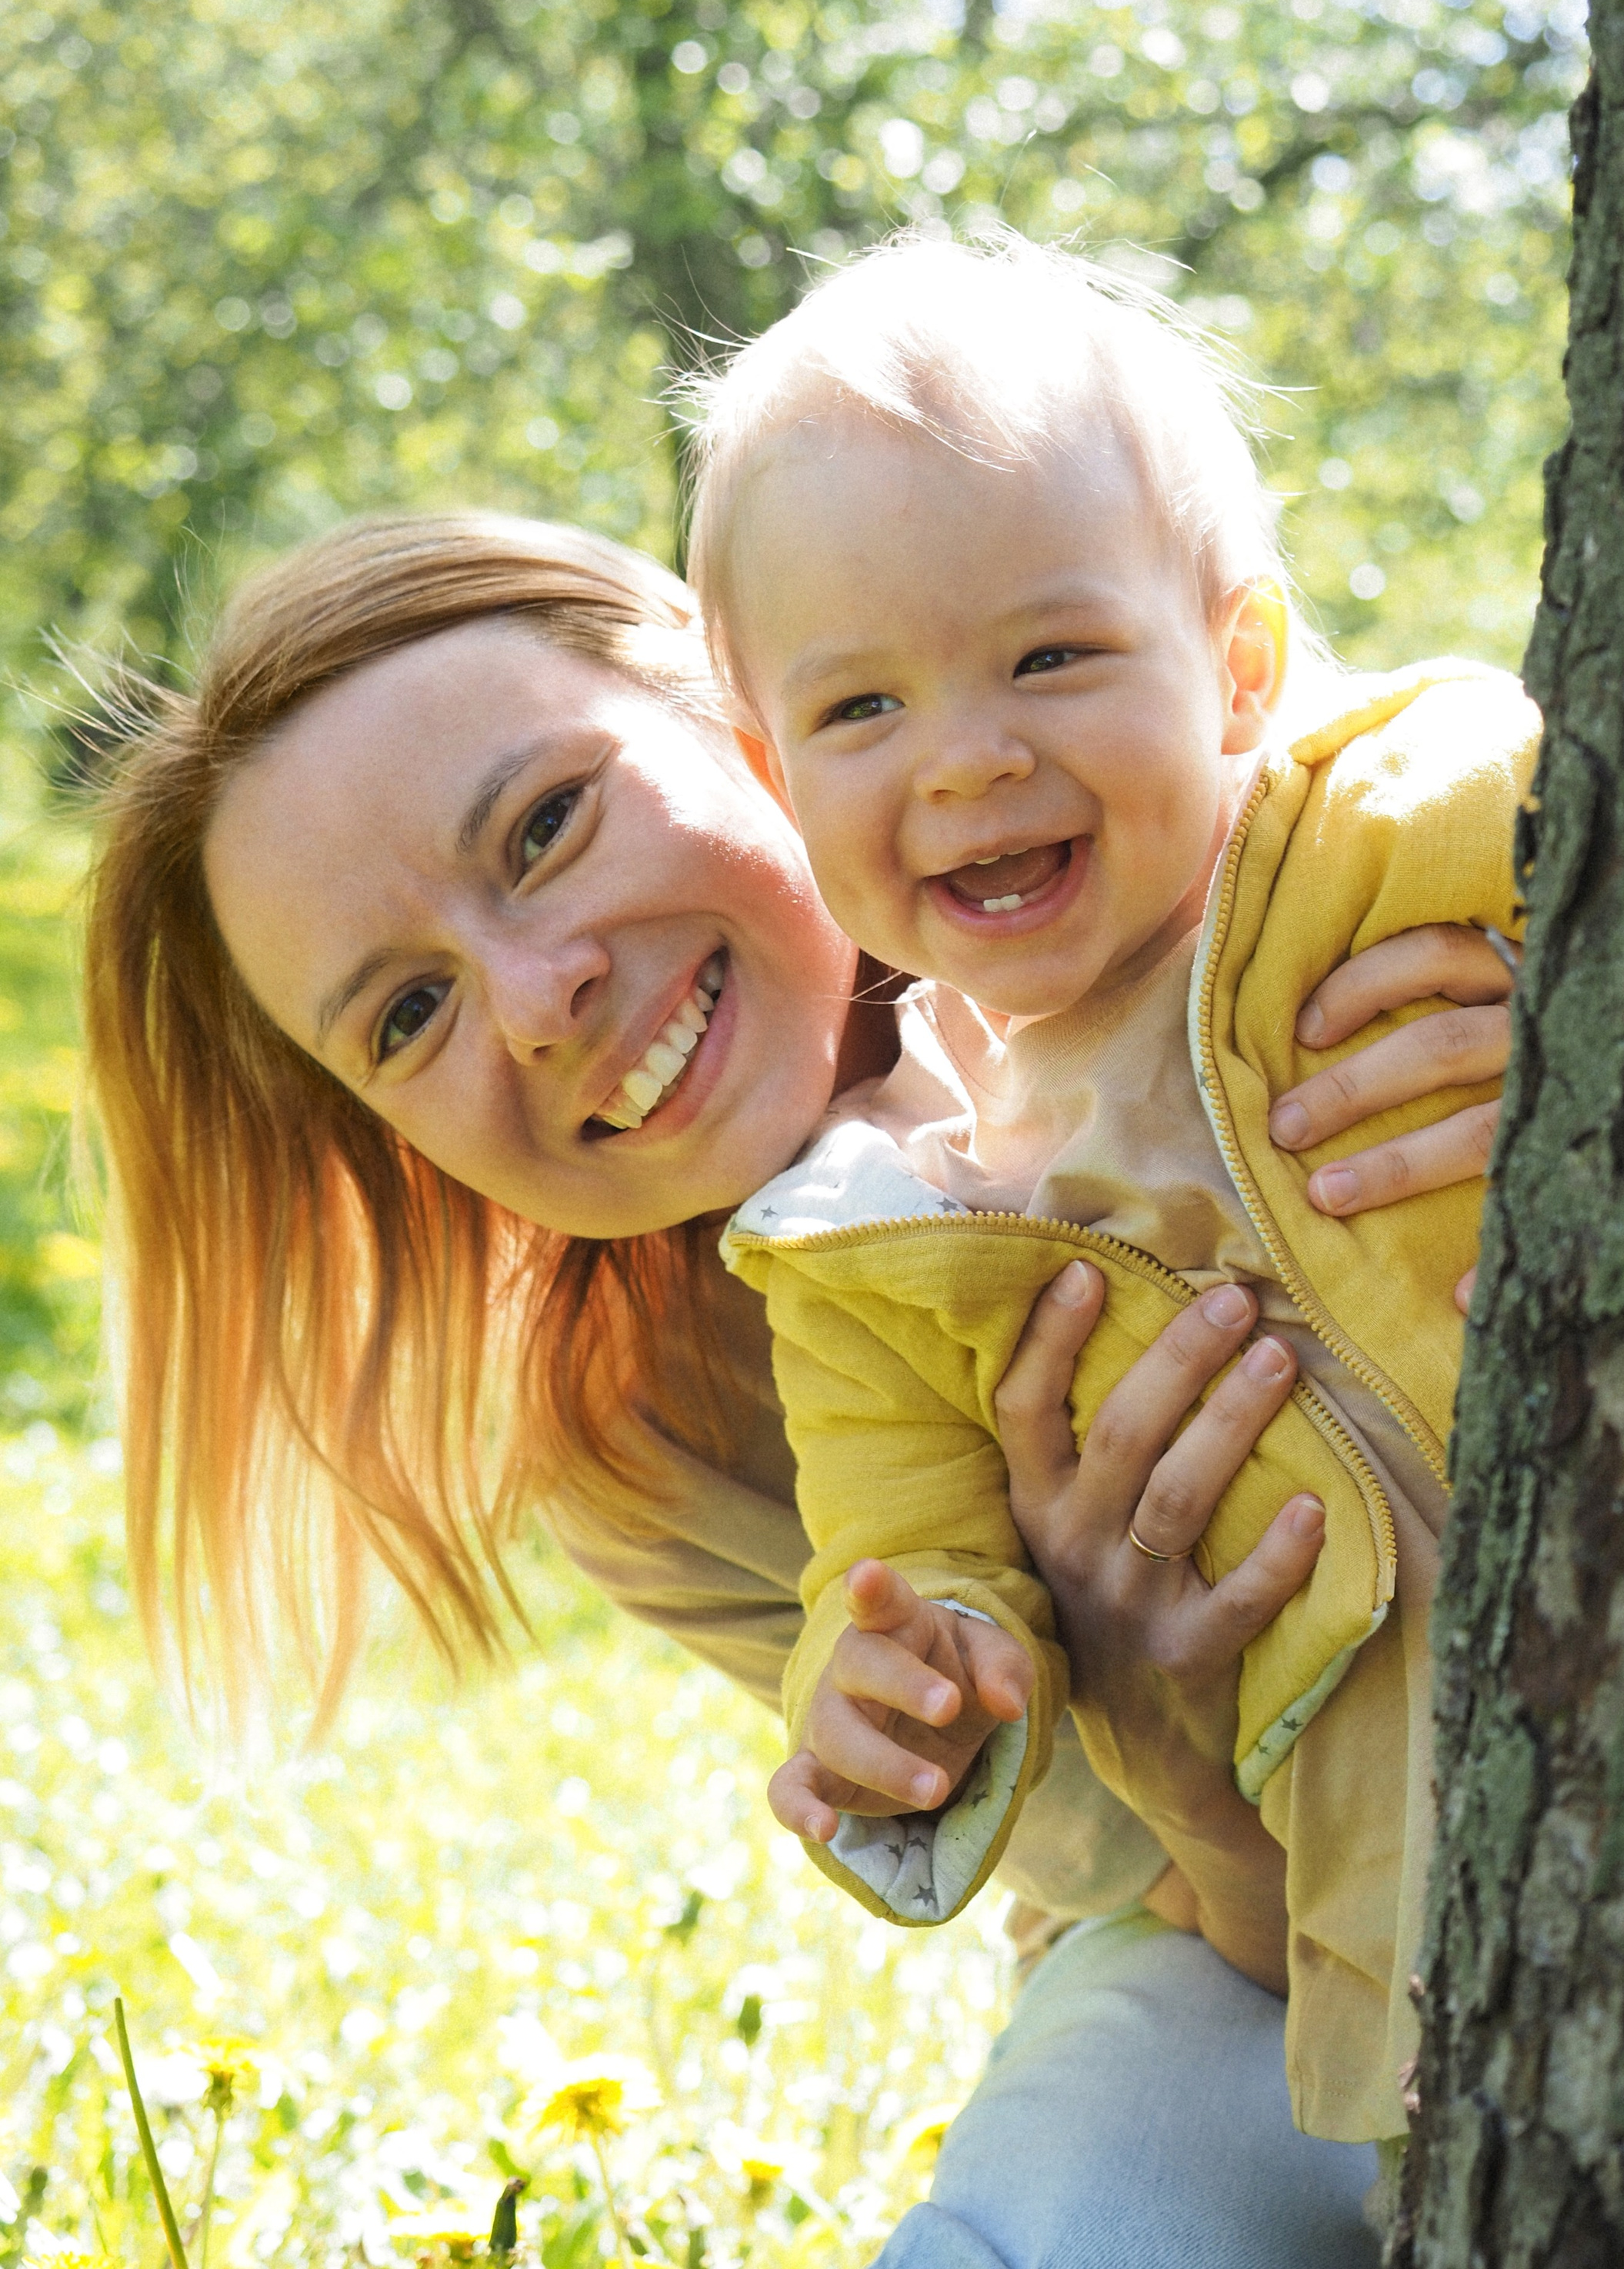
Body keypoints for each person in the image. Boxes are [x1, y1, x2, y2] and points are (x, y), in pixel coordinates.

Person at [82, 510, 1514, 2265]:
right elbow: (1234, 1924)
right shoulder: (663, 1439)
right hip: (1268, 1931)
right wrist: (1159, 1735)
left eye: (546, 825)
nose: (537, 1003)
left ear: (744, 702)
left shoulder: (1247, 858)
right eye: (405, 1014)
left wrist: (1583, 1012)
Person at [686, 236, 1539, 2144]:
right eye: (859, 712)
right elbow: (905, 1551)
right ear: (771, 772)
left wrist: (1584, 946)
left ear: (1235, 665)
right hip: (1418, 1913)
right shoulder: (871, 1244)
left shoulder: (1389, 838)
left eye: (1050, 655)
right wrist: (902, 1676)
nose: (970, 755)